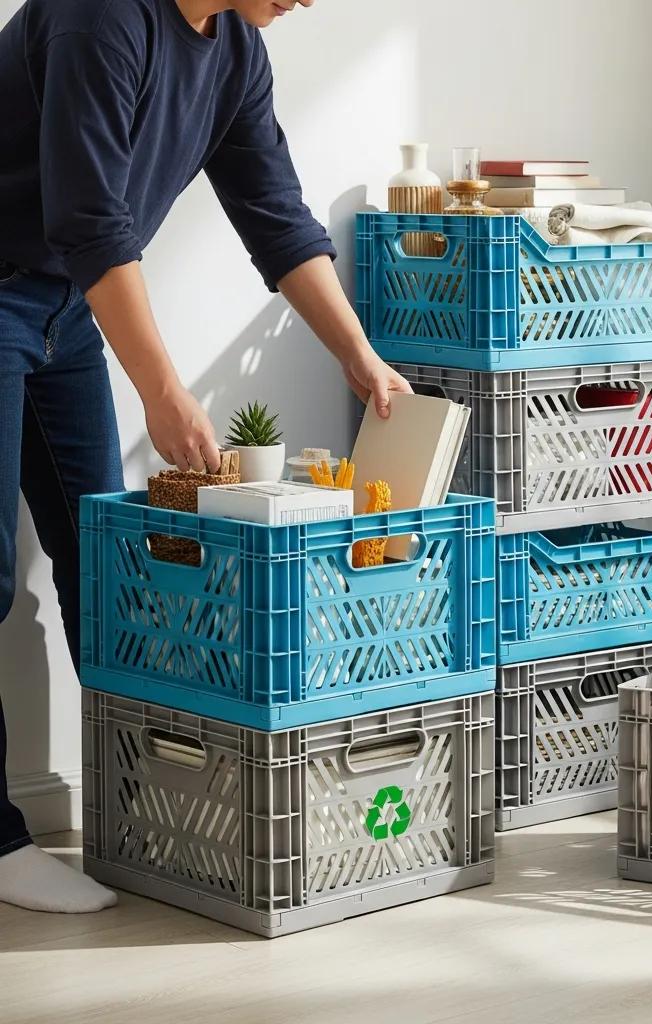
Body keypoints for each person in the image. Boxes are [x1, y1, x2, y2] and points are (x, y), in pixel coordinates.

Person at [0, 0, 410, 913]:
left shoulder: (234, 53)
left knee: (104, 561)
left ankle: (150, 804)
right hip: (16, 284)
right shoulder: (101, 16)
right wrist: (163, 391)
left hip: (71, 306)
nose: (308, 1)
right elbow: (90, 217)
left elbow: (276, 213)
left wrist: (362, 358)